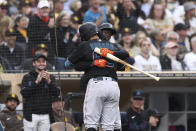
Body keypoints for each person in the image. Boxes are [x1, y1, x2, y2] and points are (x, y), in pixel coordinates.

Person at [68, 22, 129, 131]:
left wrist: (94, 61)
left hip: (96, 84)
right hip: (113, 86)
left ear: (86, 34)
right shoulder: (113, 45)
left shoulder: (85, 45)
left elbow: (68, 63)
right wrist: (100, 60)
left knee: (91, 124)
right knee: (109, 126)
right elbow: (124, 61)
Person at [20, 54, 60, 131]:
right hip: (31, 116)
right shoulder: (27, 77)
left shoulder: (50, 77)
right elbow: (24, 93)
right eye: (38, 61)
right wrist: (36, 82)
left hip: (46, 116)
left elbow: (57, 93)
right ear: (34, 63)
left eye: (43, 61)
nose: (41, 63)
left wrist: (49, 82)